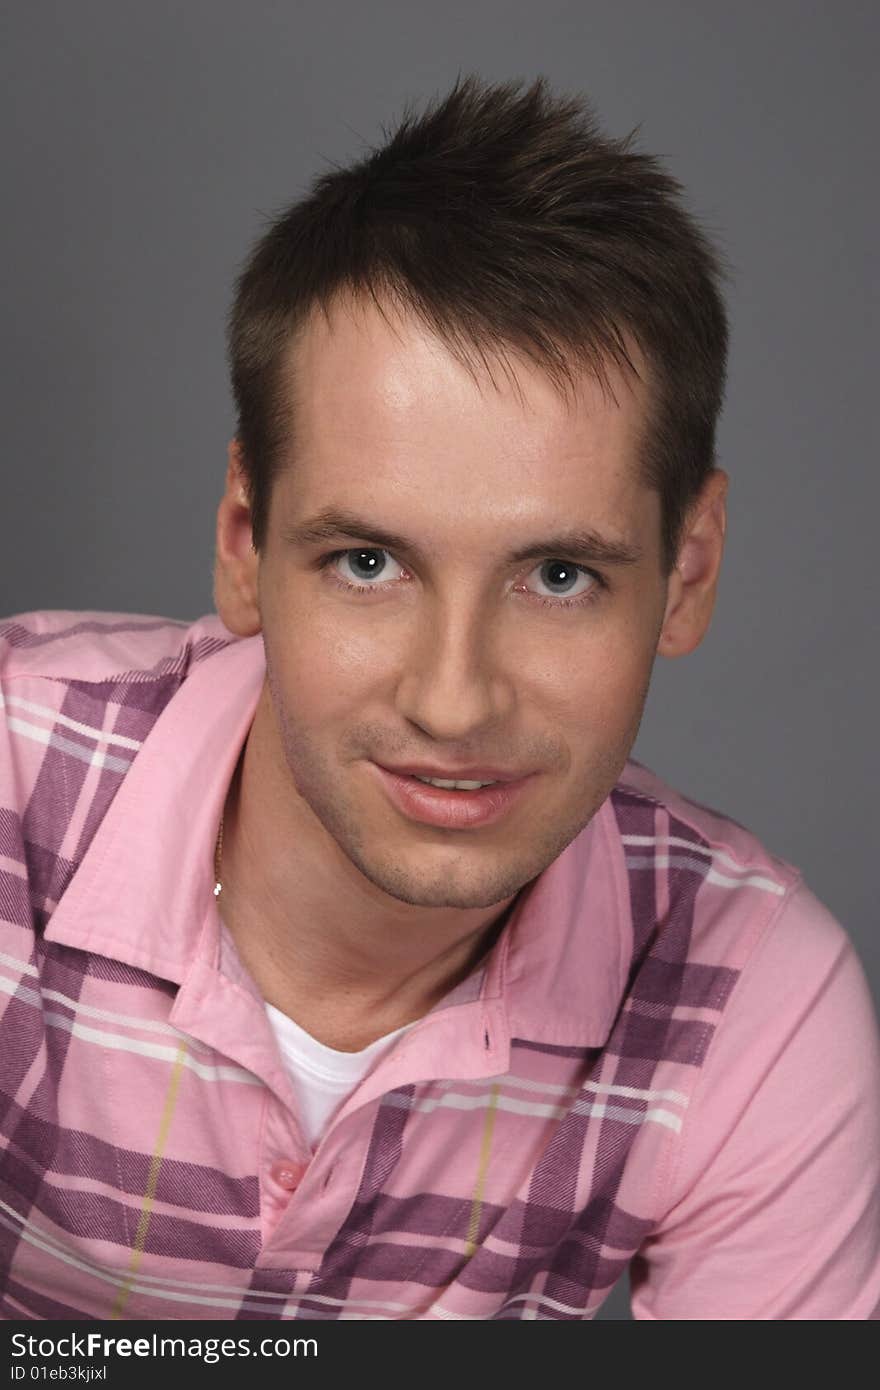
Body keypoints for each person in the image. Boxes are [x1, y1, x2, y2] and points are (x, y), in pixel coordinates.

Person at [1, 75, 878, 1323]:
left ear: (686, 570)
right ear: (246, 542)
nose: (453, 701)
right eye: (368, 563)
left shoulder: (752, 1004)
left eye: (559, 575)